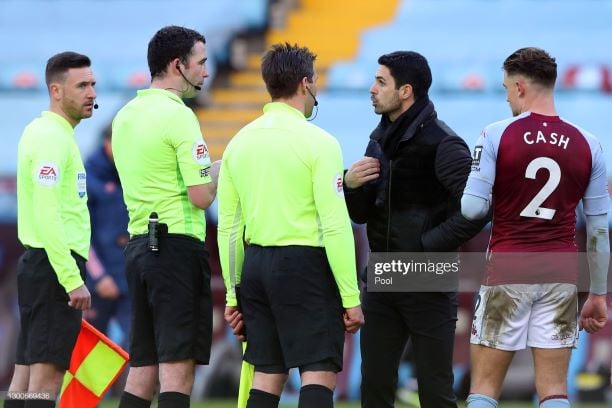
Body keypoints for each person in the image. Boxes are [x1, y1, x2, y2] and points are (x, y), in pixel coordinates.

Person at [461, 47, 609, 408]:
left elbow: (470, 209)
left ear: (521, 86)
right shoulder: (589, 144)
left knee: (483, 388)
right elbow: (598, 231)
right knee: (555, 391)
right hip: (560, 272)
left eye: (507, 88)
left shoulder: (495, 134)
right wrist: (599, 294)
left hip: (508, 268)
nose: (507, 96)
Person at [218, 42, 364, 408]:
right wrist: (350, 297)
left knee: (267, 373)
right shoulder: (320, 142)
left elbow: (229, 229)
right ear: (305, 84)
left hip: (256, 267)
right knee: (318, 372)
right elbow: (334, 223)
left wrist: (233, 295)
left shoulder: (238, 143)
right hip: (305, 266)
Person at [343, 51, 487, 408]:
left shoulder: (444, 143)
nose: (372, 89)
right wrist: (350, 187)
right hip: (382, 276)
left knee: (435, 392)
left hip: (429, 277)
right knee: (373, 388)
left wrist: (430, 245)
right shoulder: (378, 141)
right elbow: (361, 215)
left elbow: (479, 209)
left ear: (406, 90)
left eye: (381, 82)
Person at [111, 25, 220, 408]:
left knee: (143, 366)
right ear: (178, 65)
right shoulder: (180, 116)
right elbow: (201, 196)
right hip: (175, 248)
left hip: (139, 246)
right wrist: (220, 171)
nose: (207, 71)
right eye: (202, 62)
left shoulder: (125, 115)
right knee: (177, 367)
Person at [4, 51, 96, 408]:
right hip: (53, 269)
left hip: (43, 266)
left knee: (25, 375)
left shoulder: (48, 132)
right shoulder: (52, 138)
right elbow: (47, 211)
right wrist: (71, 277)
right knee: (46, 379)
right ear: (55, 91)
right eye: (82, 85)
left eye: (93, 85)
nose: (91, 93)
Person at [84, 124, 130, 350]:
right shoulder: (87, 177)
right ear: (107, 142)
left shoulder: (131, 172)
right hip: (98, 285)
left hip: (130, 280)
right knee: (91, 358)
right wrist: (99, 277)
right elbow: (80, 233)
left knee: (139, 352)